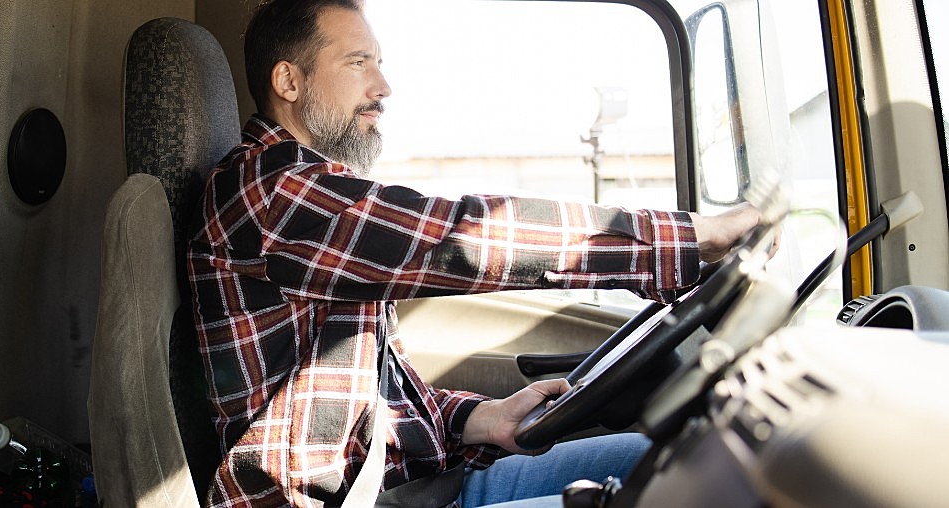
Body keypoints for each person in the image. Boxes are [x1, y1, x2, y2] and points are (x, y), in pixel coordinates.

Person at [186, 1, 761, 506]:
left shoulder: (305, 192)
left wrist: (482, 418)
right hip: (351, 503)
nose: (383, 87)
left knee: (679, 459)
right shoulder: (273, 194)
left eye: (379, 63)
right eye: (358, 62)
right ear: (289, 80)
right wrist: (691, 235)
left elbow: (369, 401)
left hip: (417, 487)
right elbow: (459, 238)